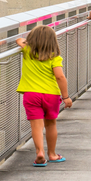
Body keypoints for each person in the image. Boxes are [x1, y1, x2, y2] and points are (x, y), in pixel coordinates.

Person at [16, 25, 72, 165]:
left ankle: (39, 152)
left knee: (36, 125)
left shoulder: (27, 50)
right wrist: (65, 97)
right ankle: (52, 154)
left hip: (31, 94)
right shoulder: (55, 57)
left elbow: (19, 40)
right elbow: (60, 77)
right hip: (51, 95)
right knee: (51, 124)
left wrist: (29, 43)